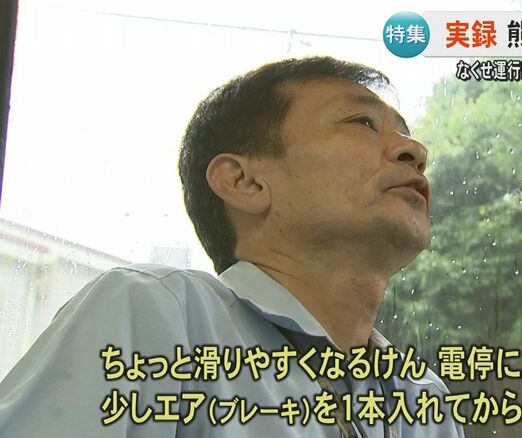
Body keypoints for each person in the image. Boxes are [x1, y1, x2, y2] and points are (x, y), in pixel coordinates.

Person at [0, 56, 464, 437]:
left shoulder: (425, 401)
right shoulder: (160, 314)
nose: (415, 150)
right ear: (244, 182)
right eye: (362, 121)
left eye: (405, 131)